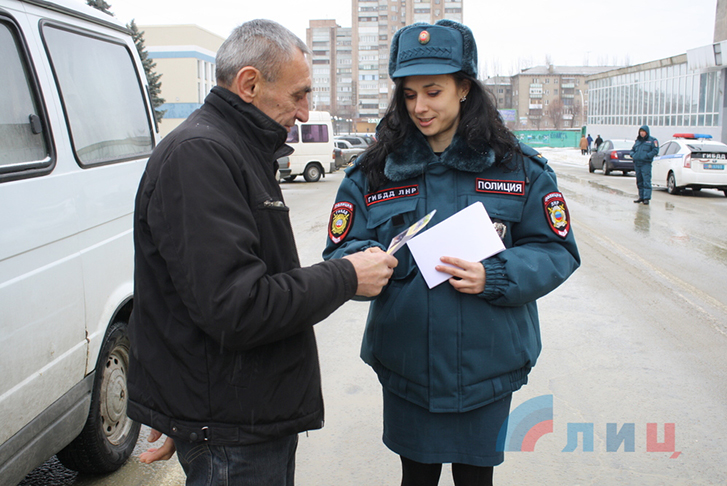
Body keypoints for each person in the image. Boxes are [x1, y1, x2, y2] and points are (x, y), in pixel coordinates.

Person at [127, 19, 398, 485]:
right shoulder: (202, 156)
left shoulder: (234, 149)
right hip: (234, 434)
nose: (305, 110)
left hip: (234, 417)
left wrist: (184, 411)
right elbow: (238, 306)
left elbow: (192, 293)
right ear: (249, 83)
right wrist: (347, 276)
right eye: (298, 95)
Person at [322, 20, 580, 486]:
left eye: (434, 91)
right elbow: (342, 248)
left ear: (464, 88)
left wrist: (496, 275)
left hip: (487, 370)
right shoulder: (374, 172)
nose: (420, 107)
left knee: (476, 478)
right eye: (409, 94)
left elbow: (555, 249)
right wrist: (368, 265)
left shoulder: (518, 168)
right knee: (415, 478)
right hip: (407, 369)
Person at [629, 125, 659, 205]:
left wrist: (647, 156)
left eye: (643, 132)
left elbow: (655, 150)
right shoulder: (638, 141)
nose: (642, 133)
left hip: (646, 164)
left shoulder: (652, 140)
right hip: (637, 163)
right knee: (639, 181)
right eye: (641, 132)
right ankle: (641, 197)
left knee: (646, 180)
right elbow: (632, 150)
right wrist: (633, 155)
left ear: (647, 132)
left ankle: (646, 198)